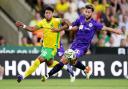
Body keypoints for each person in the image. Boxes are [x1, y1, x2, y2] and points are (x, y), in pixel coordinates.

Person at [41, 4, 122, 81]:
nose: (86, 13)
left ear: (92, 13)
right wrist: (61, 29)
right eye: (85, 11)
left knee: (64, 60)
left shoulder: (94, 23)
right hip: (75, 44)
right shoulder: (80, 19)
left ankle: (47, 75)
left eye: (88, 12)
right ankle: (86, 69)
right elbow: (72, 26)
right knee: (73, 62)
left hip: (83, 47)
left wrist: (115, 31)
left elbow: (105, 28)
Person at [15, 6, 75, 83]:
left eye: (49, 13)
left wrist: (59, 29)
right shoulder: (42, 22)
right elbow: (32, 29)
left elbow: (67, 21)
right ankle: (67, 67)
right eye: (46, 13)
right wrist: (23, 25)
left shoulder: (56, 21)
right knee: (50, 64)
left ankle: (22, 76)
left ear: (52, 14)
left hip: (52, 48)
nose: (47, 14)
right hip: (45, 47)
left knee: (38, 60)